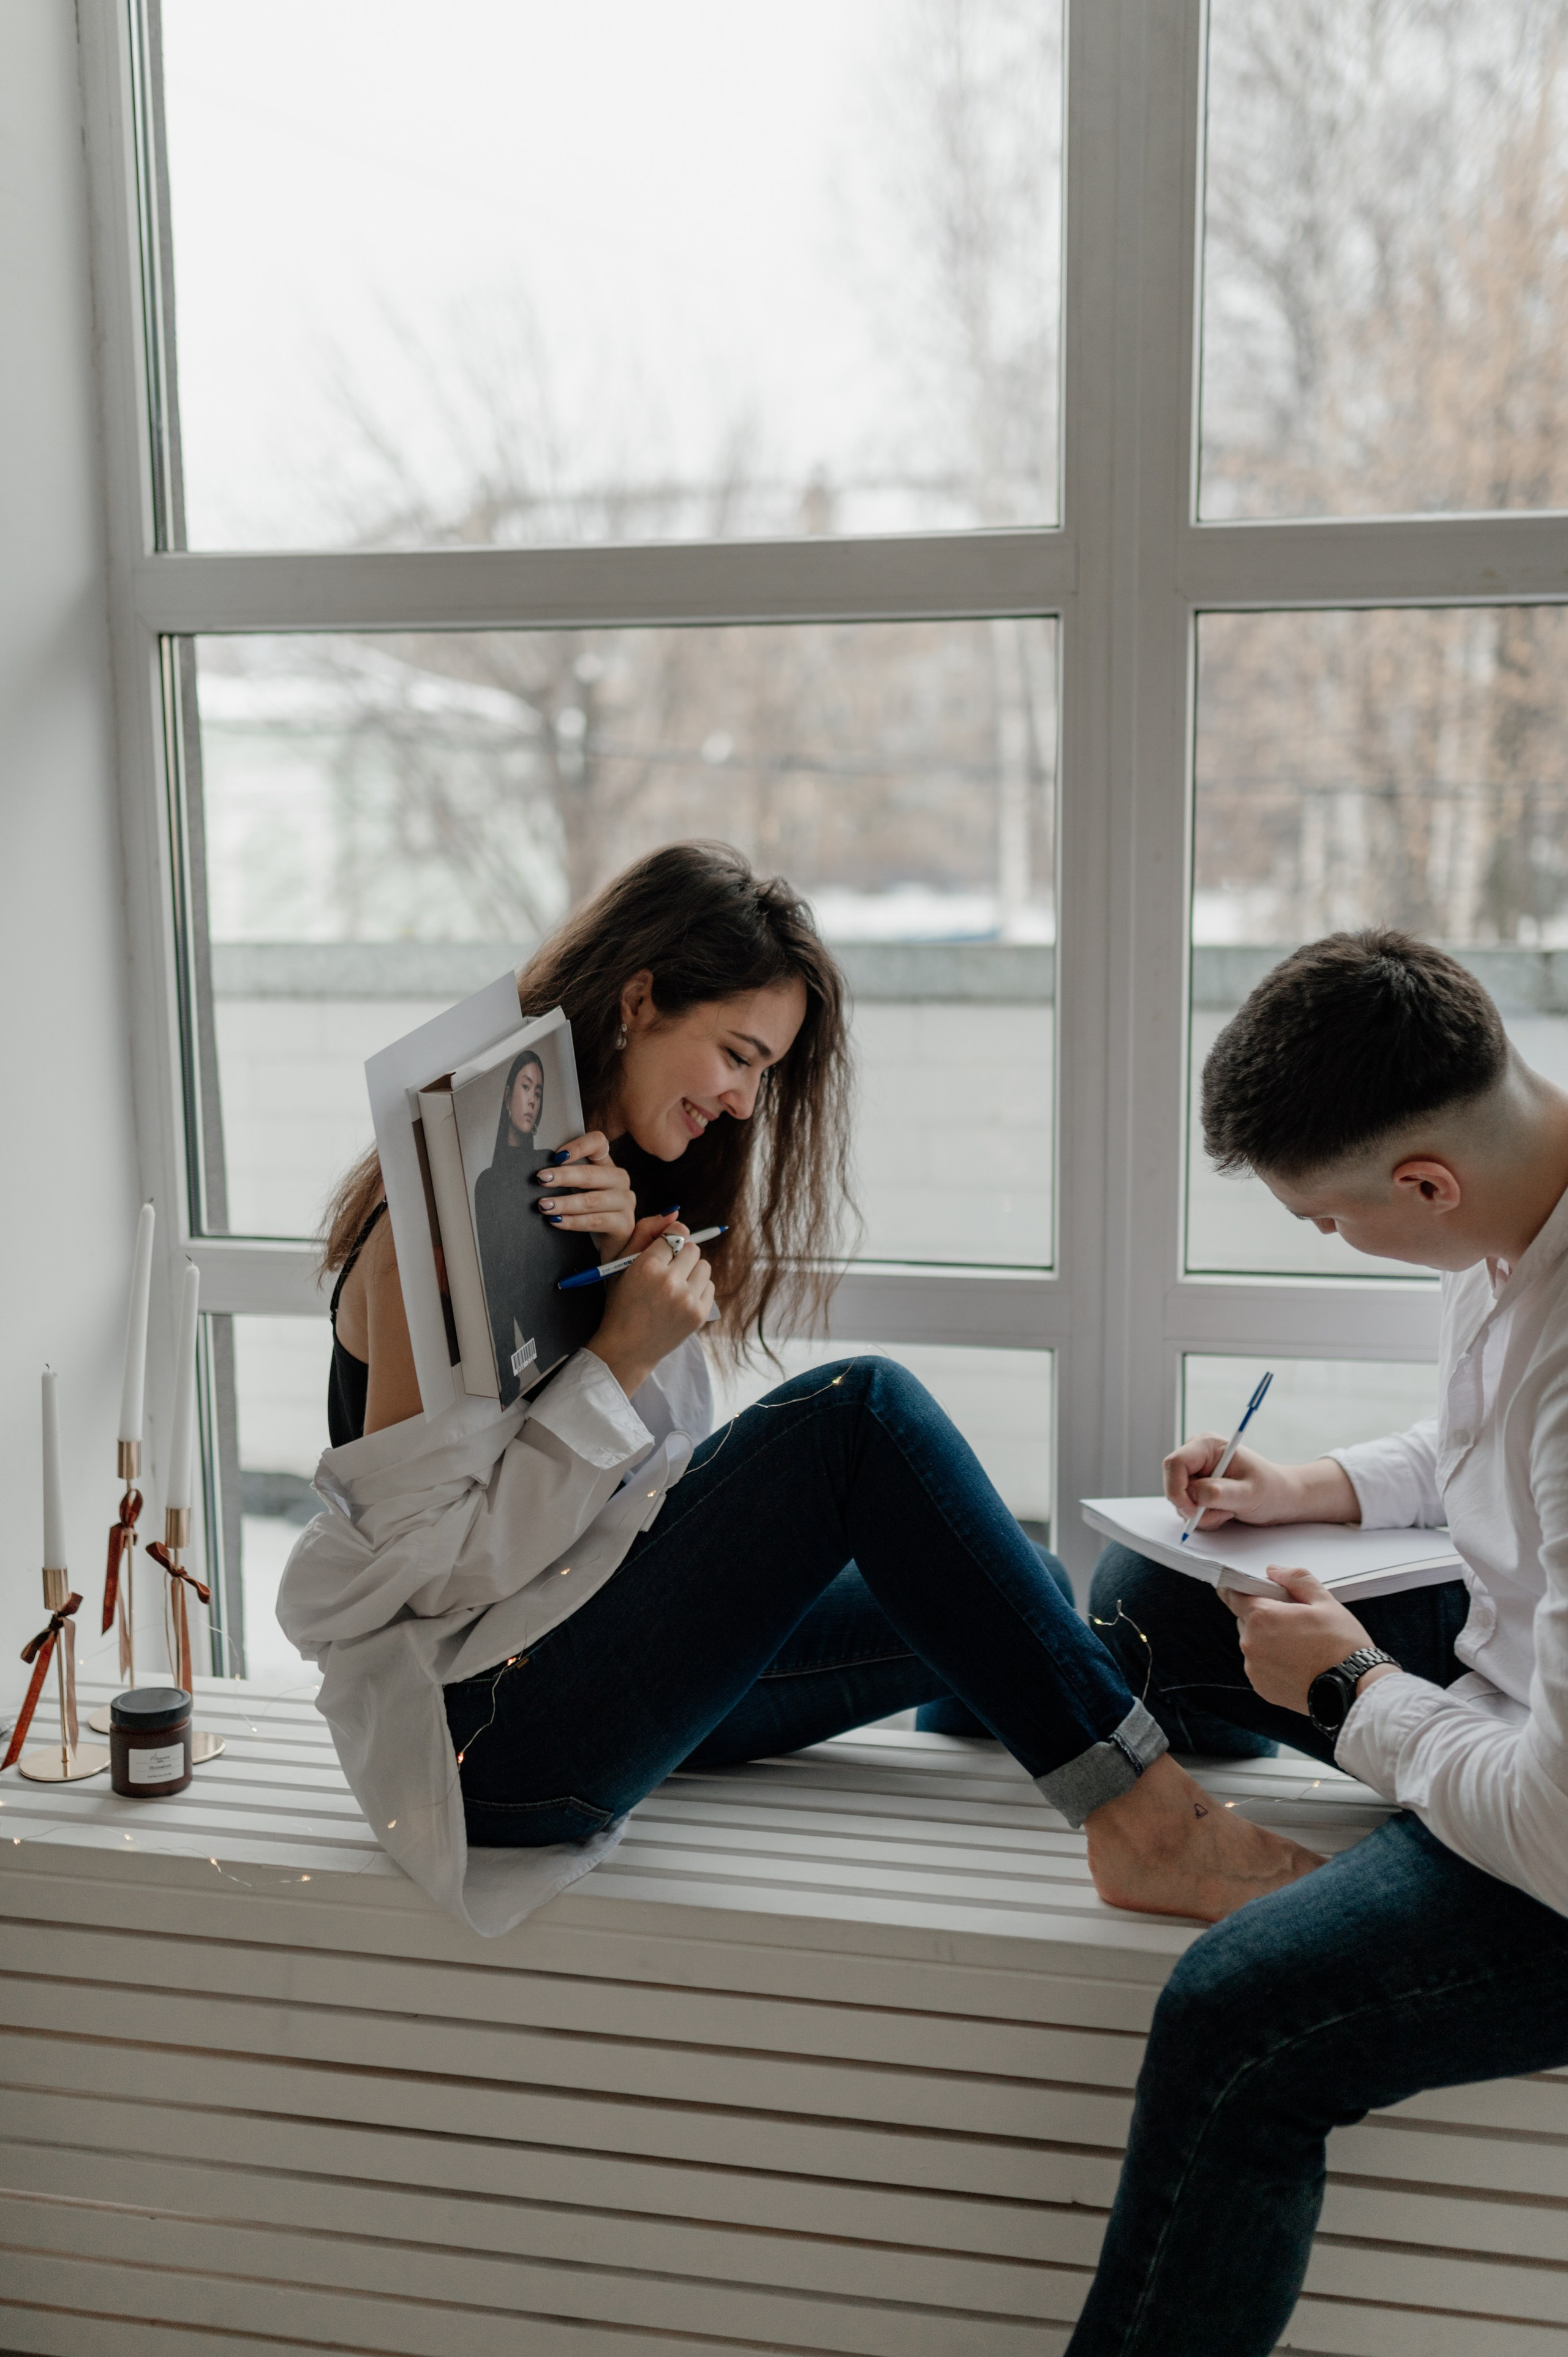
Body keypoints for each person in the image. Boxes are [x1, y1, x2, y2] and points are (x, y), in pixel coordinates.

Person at [278, 841, 1317, 1936]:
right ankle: (1147, 1823)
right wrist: (619, 1356)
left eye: (764, 1072)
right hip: (484, 1735)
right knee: (858, 1415)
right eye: (736, 1054)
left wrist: (632, 1282)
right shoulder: (430, 1243)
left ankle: (1144, 1745)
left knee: (1024, 1588)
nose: (741, 1102)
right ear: (639, 1000)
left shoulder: (587, 1193)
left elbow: (645, 1488)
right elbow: (433, 1584)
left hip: (577, 1638)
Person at [1068, 930, 1568, 2357]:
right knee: (1155, 1590)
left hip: (1553, 1818)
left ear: (1422, 1181)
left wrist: (1351, 1691)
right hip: (1504, 1680)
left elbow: (1552, 1823)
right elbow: (1480, 1430)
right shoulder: (1512, 1193)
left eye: (1326, 1220)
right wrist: (1305, 1486)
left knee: (1231, 2024)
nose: (1326, 1238)